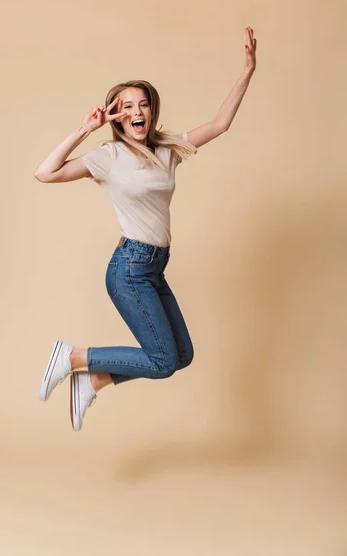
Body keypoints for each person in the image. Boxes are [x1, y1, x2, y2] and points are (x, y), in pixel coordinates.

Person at [35, 27, 257, 431]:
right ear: (116, 116)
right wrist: (86, 129)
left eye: (144, 104)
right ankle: (72, 357)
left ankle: (96, 379)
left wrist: (248, 70)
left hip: (154, 267)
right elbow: (44, 173)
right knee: (161, 360)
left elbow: (220, 123)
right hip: (130, 268)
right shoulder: (109, 156)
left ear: (152, 111)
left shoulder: (167, 149)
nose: (137, 111)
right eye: (126, 106)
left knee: (180, 356)